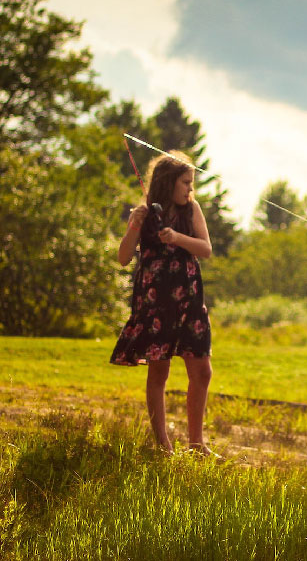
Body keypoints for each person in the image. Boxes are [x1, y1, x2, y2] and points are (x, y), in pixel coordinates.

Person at [110, 151, 217, 458]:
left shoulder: (191, 210)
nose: (190, 189)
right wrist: (134, 225)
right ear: (169, 182)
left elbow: (206, 249)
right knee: (159, 372)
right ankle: (163, 446)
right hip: (156, 303)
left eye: (191, 183)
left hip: (189, 301)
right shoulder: (145, 213)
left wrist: (177, 238)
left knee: (202, 371)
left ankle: (197, 445)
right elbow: (123, 257)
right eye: (186, 183)